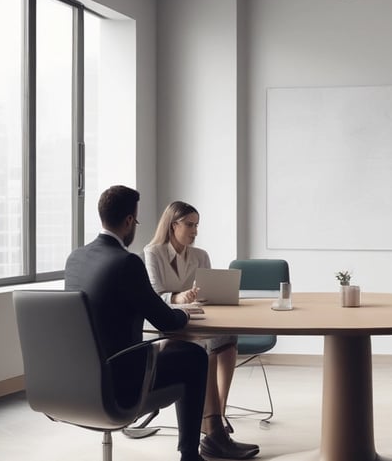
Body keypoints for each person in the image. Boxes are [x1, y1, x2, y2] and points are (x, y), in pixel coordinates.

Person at [64, 185, 209, 461]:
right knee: (195, 357)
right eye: (136, 220)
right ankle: (190, 454)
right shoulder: (127, 263)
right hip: (121, 382)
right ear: (129, 221)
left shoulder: (75, 259)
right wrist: (186, 313)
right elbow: (166, 320)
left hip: (75, 381)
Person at [144, 201, 258, 460]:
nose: (195, 231)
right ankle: (214, 427)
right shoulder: (153, 252)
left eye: (197, 225)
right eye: (190, 224)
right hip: (168, 323)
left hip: (198, 318)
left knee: (227, 338)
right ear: (173, 225)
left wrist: (201, 297)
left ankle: (216, 417)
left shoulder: (200, 255)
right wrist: (178, 297)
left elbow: (209, 291)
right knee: (202, 347)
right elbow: (153, 295)